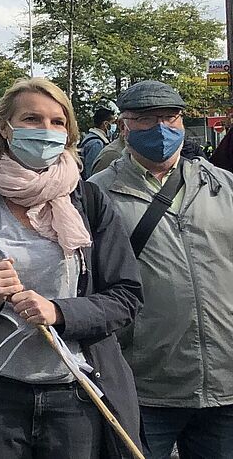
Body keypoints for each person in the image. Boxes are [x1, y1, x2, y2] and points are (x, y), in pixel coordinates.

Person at [0, 78, 143, 459]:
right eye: (31, 119)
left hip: (76, 397)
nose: (45, 130)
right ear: (5, 128)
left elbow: (126, 297)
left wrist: (60, 312)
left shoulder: (89, 201)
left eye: (57, 122)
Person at [88, 80, 233, 459]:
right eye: (147, 119)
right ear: (125, 126)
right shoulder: (97, 194)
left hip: (225, 384)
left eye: (171, 117)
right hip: (144, 382)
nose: (162, 128)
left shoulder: (223, 186)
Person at [80, 106, 116, 178]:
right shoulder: (96, 144)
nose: (115, 126)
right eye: (113, 122)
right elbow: (92, 173)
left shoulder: (91, 138)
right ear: (106, 124)